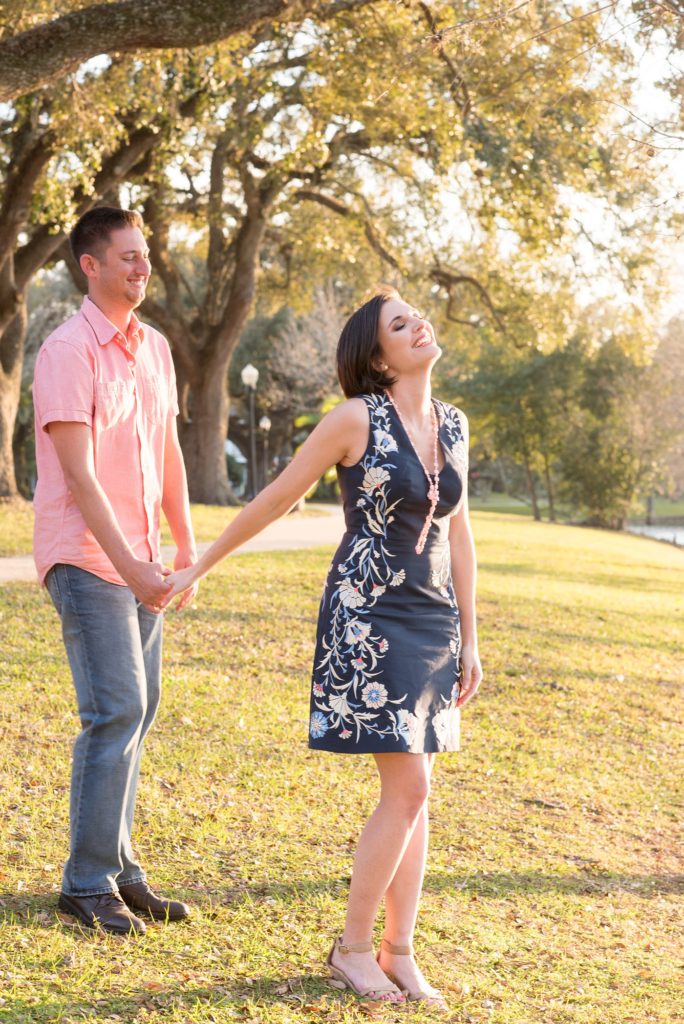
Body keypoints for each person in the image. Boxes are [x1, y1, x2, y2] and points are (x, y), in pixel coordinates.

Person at [164, 288, 483, 1005]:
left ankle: (400, 952)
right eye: (399, 325)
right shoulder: (353, 419)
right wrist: (200, 564)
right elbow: (276, 496)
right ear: (377, 356)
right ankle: (353, 948)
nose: (418, 324)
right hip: (368, 616)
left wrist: (471, 636)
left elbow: (461, 534)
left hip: (434, 621)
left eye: (416, 315)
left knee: (417, 796)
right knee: (411, 787)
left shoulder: (455, 424)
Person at [32, 206, 199, 935]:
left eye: (146, 254)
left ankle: (121, 870)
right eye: (127, 257)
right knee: (116, 711)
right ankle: (86, 881)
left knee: (143, 710)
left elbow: (166, 452)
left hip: (144, 562)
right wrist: (131, 566)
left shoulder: (155, 348)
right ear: (89, 266)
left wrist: (186, 552)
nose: (142, 267)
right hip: (89, 557)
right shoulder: (67, 350)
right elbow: (79, 477)